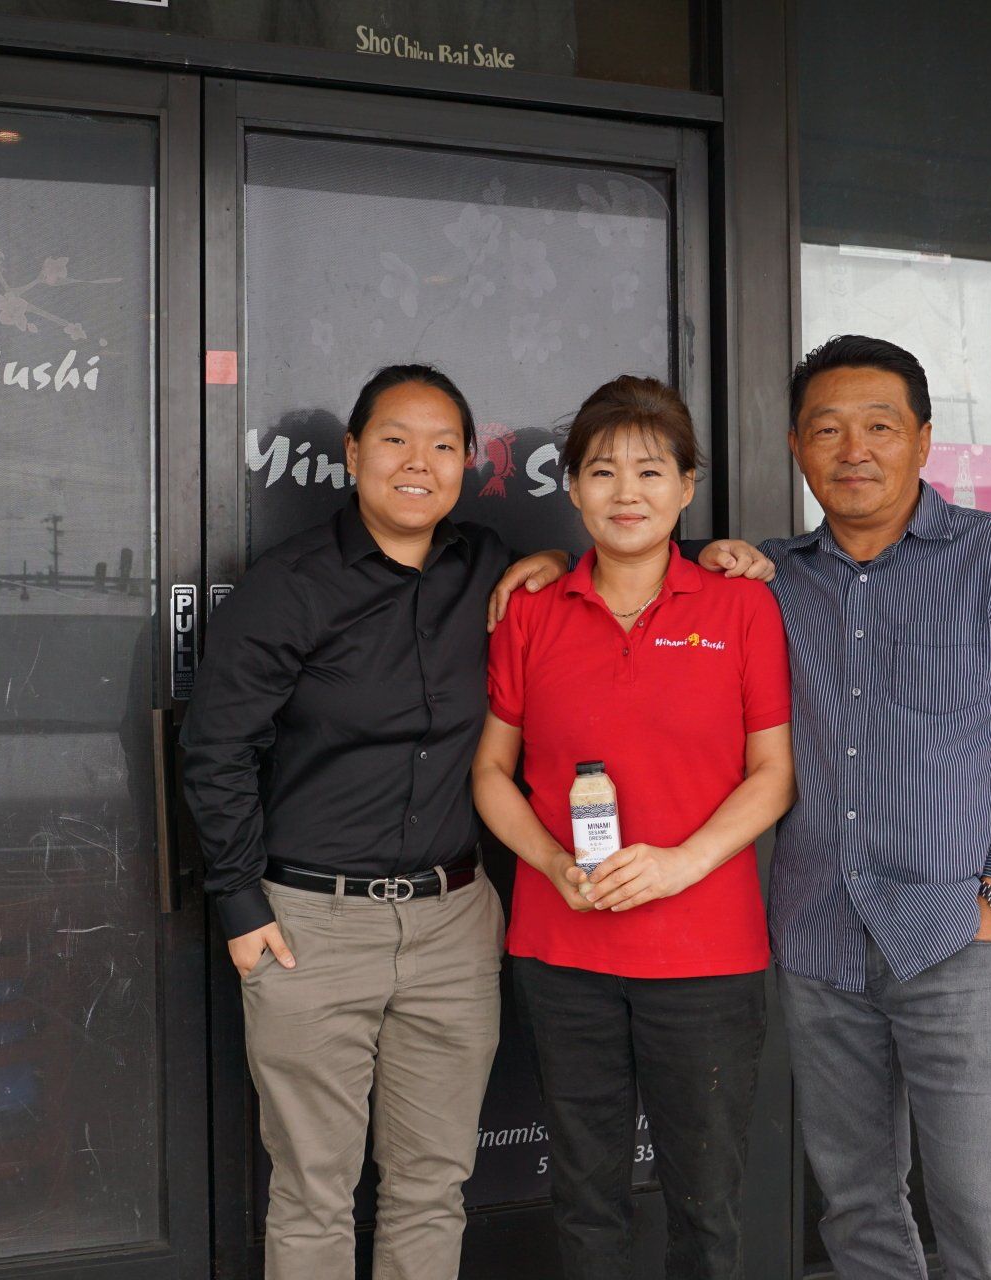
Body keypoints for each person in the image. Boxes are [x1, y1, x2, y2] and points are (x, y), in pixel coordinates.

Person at [181, 364, 773, 1279]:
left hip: (455, 922)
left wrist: (718, 553)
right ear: (352, 453)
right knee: (312, 1191)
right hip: (311, 925)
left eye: (443, 445)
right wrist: (239, 907)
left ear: (467, 463)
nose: (418, 462)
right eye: (394, 440)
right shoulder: (291, 586)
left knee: (433, 1185)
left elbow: (763, 756)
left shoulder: (496, 570)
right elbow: (214, 748)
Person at [705, 335, 991, 1278]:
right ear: (797, 447)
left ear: (924, 441)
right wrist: (541, 573)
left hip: (956, 935)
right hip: (816, 938)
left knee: (981, 1212)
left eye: (879, 426)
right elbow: (632, 569)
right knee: (855, 1208)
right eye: (828, 429)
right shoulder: (766, 580)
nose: (855, 450)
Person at [471, 375, 794, 1280]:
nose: (626, 493)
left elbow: (773, 776)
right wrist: (549, 858)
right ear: (570, 488)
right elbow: (491, 773)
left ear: (686, 487)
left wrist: (684, 863)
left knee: (707, 1204)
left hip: (707, 956)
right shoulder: (529, 612)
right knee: (585, 1198)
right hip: (562, 949)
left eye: (651, 471)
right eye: (602, 471)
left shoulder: (741, 607)